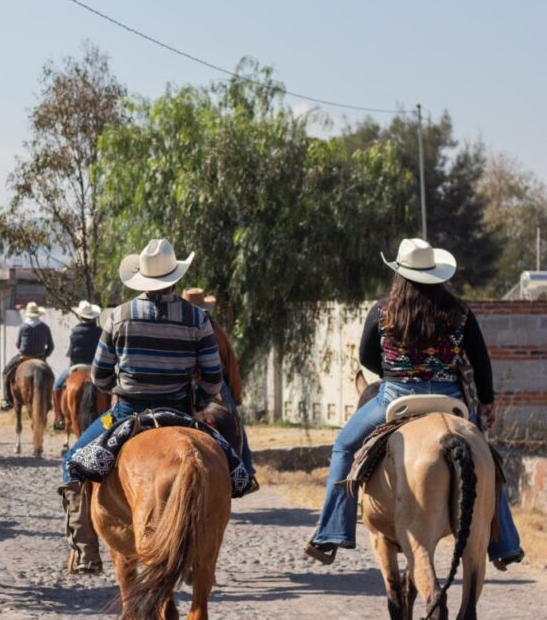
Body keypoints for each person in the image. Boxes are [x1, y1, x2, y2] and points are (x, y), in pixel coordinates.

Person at [305, 238, 523, 570]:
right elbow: (480, 360)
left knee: (344, 447)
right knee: (488, 463)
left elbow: (366, 356)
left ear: (400, 274)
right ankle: (505, 543)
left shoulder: (383, 310)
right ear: (437, 274)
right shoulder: (460, 312)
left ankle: (331, 532)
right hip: (449, 401)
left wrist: (395, 372)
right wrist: (488, 402)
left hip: (396, 397)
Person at [59, 239, 223, 574]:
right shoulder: (197, 318)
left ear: (142, 279)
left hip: (127, 413)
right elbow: (213, 378)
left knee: (72, 462)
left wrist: (116, 387)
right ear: (175, 278)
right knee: (228, 463)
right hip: (179, 412)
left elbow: (100, 374)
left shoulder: (119, 316)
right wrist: (199, 401)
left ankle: (87, 549)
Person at [181, 288, 256, 485]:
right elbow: (230, 363)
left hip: (184, 381)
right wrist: (235, 395)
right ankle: (246, 471)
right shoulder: (216, 330)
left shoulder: (179, 326)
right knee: (236, 422)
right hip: (215, 382)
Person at [51, 300, 102, 430]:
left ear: (80, 316)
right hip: (94, 368)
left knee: (57, 386)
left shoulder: (75, 331)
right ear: (94, 317)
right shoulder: (99, 331)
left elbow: (70, 352)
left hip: (76, 366)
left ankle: (58, 418)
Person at [0, 302, 54, 410]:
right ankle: (49, 399)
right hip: (40, 357)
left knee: (6, 372)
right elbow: (51, 346)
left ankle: (6, 400)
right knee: (50, 376)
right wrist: (44, 357)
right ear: (38, 314)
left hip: (24, 357)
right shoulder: (45, 327)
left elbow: (18, 344)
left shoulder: (23, 327)